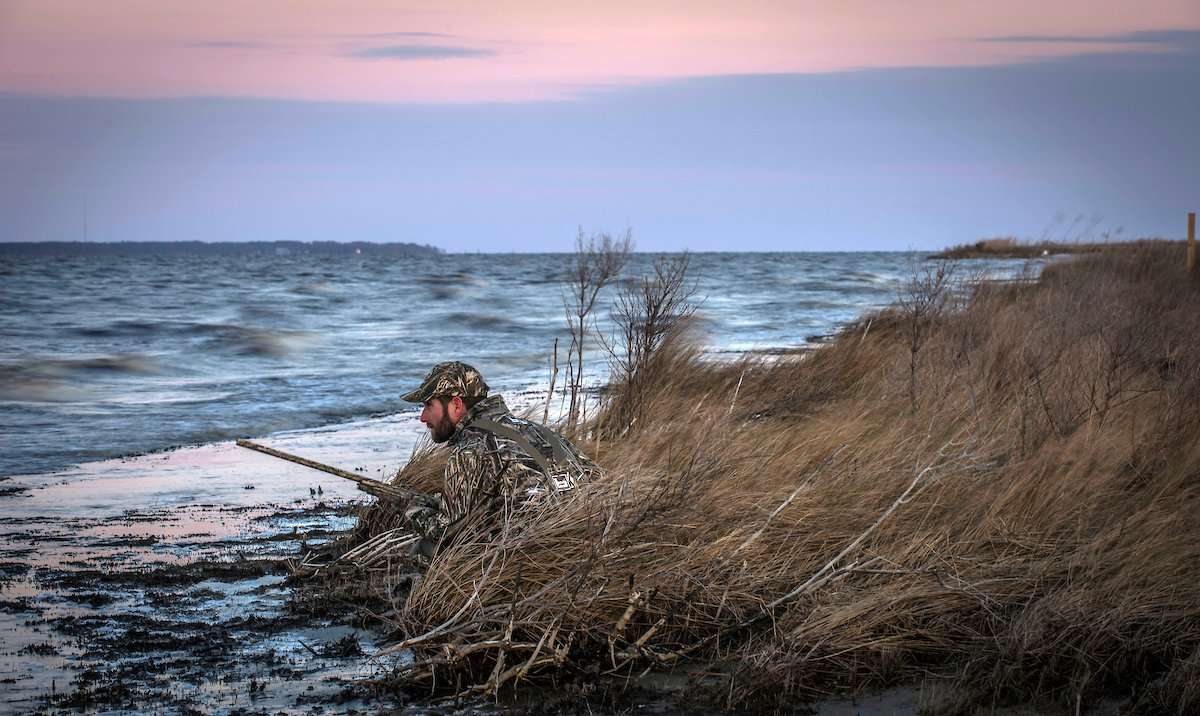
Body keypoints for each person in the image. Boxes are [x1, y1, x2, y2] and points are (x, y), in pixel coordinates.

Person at [399, 361, 600, 556]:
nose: (423, 417)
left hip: (534, 557)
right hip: (586, 538)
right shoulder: (541, 432)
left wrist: (415, 510)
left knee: (425, 547)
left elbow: (446, 532)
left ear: (456, 405)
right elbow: (598, 479)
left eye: (428, 405)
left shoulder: (470, 449)